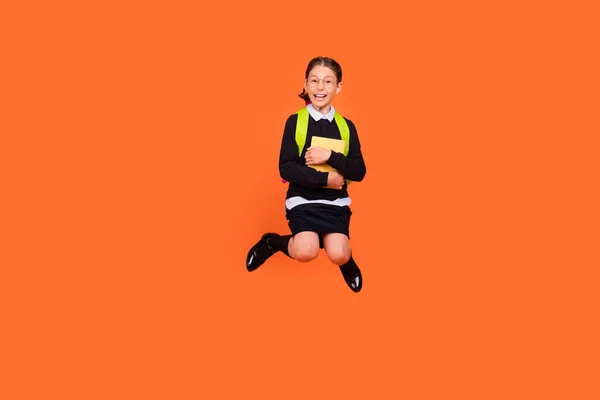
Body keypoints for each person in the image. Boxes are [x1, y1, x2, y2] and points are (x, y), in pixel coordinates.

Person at [245, 56, 367, 293]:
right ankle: (271, 241)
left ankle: (344, 259)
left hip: (335, 203)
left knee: (339, 254)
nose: (320, 88)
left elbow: (359, 171)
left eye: (328, 82)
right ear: (306, 84)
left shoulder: (346, 126)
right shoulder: (296, 122)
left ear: (338, 87)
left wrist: (329, 156)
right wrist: (326, 179)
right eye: (315, 81)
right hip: (303, 200)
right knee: (305, 251)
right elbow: (287, 168)